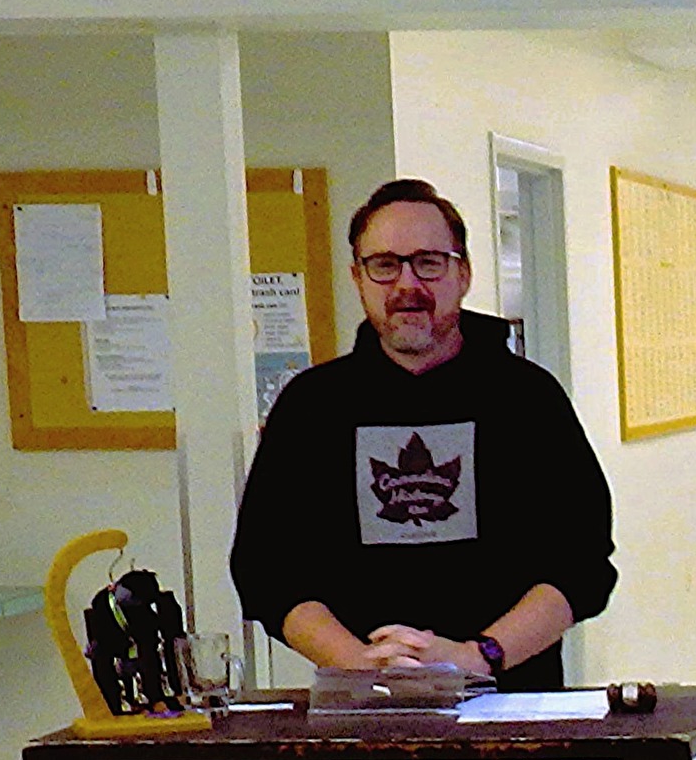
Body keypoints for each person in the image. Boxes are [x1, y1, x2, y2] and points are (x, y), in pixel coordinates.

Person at [231, 178, 615, 689]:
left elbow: (581, 564)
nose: (406, 285)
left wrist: (476, 658)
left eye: (429, 262)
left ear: (463, 274)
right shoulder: (311, 407)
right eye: (385, 264)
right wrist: (358, 663)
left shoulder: (529, 400)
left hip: (511, 706)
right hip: (359, 710)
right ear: (357, 277)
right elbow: (267, 570)